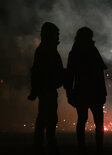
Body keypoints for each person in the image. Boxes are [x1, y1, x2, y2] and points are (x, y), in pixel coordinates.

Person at [64, 27, 107, 154]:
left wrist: (69, 92)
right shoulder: (92, 51)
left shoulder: (74, 52)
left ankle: (82, 148)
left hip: (82, 92)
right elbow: (100, 74)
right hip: (93, 92)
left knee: (82, 120)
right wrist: (103, 93)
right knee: (98, 122)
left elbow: (69, 74)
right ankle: (98, 148)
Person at [28, 22, 63, 155]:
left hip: (46, 89)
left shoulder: (46, 49)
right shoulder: (46, 50)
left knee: (45, 118)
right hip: (47, 89)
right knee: (47, 119)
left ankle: (41, 146)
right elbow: (38, 71)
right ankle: (46, 147)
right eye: (56, 34)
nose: (58, 37)